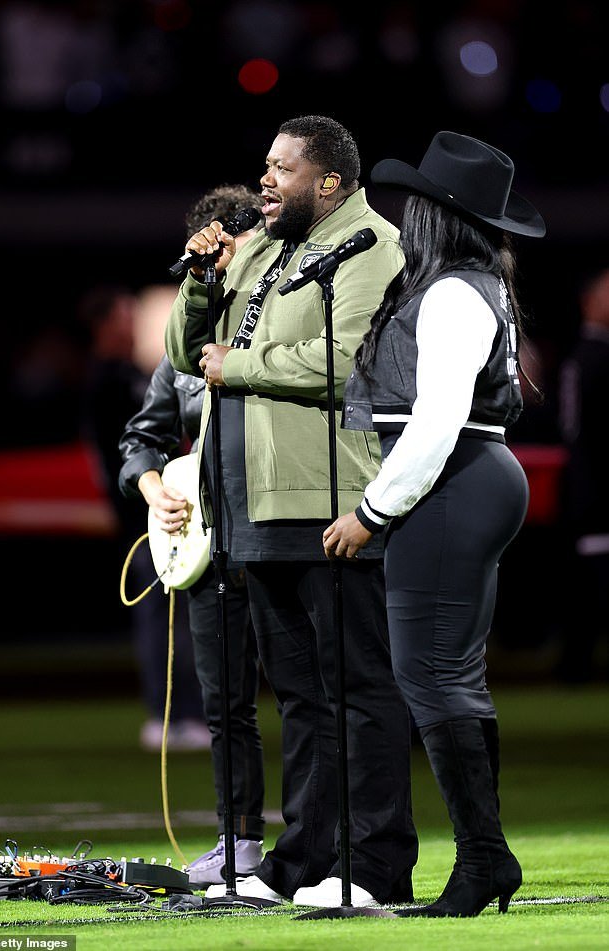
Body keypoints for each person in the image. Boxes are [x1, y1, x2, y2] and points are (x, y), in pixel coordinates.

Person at [164, 114, 419, 908]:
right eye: (265, 165)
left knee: (359, 690)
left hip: (326, 496)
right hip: (254, 503)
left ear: (330, 182)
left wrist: (239, 366)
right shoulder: (270, 251)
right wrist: (202, 279)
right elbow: (183, 352)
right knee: (303, 698)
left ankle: (375, 862)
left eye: (282, 168)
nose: (264, 180)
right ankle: (305, 856)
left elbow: (348, 363)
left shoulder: (371, 246)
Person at [322, 130, 546, 917]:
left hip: (454, 481)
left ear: (437, 215)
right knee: (449, 675)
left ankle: (483, 858)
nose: (404, 213)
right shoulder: (469, 282)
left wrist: (371, 510)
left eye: (416, 202)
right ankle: (488, 857)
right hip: (470, 479)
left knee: (431, 675)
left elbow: (438, 418)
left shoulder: (452, 290)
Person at [118, 184, 268, 888]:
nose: (222, 259)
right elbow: (143, 438)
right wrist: (158, 491)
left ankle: (317, 837)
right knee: (225, 704)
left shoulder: (282, 319)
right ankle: (239, 841)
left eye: (231, 244)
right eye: (210, 248)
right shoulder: (184, 344)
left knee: (306, 694)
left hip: (278, 531)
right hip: (212, 543)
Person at [80, 283, 211, 753]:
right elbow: (130, 451)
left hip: (150, 511)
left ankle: (172, 715)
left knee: (170, 619)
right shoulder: (111, 380)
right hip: (146, 516)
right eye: (125, 315)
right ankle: (176, 715)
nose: (133, 322)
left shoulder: (119, 376)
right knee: (171, 618)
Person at [556, 267, 609, 683]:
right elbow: (573, 432)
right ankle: (574, 665)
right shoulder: (586, 358)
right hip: (593, 497)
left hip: (590, 494)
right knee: (588, 589)